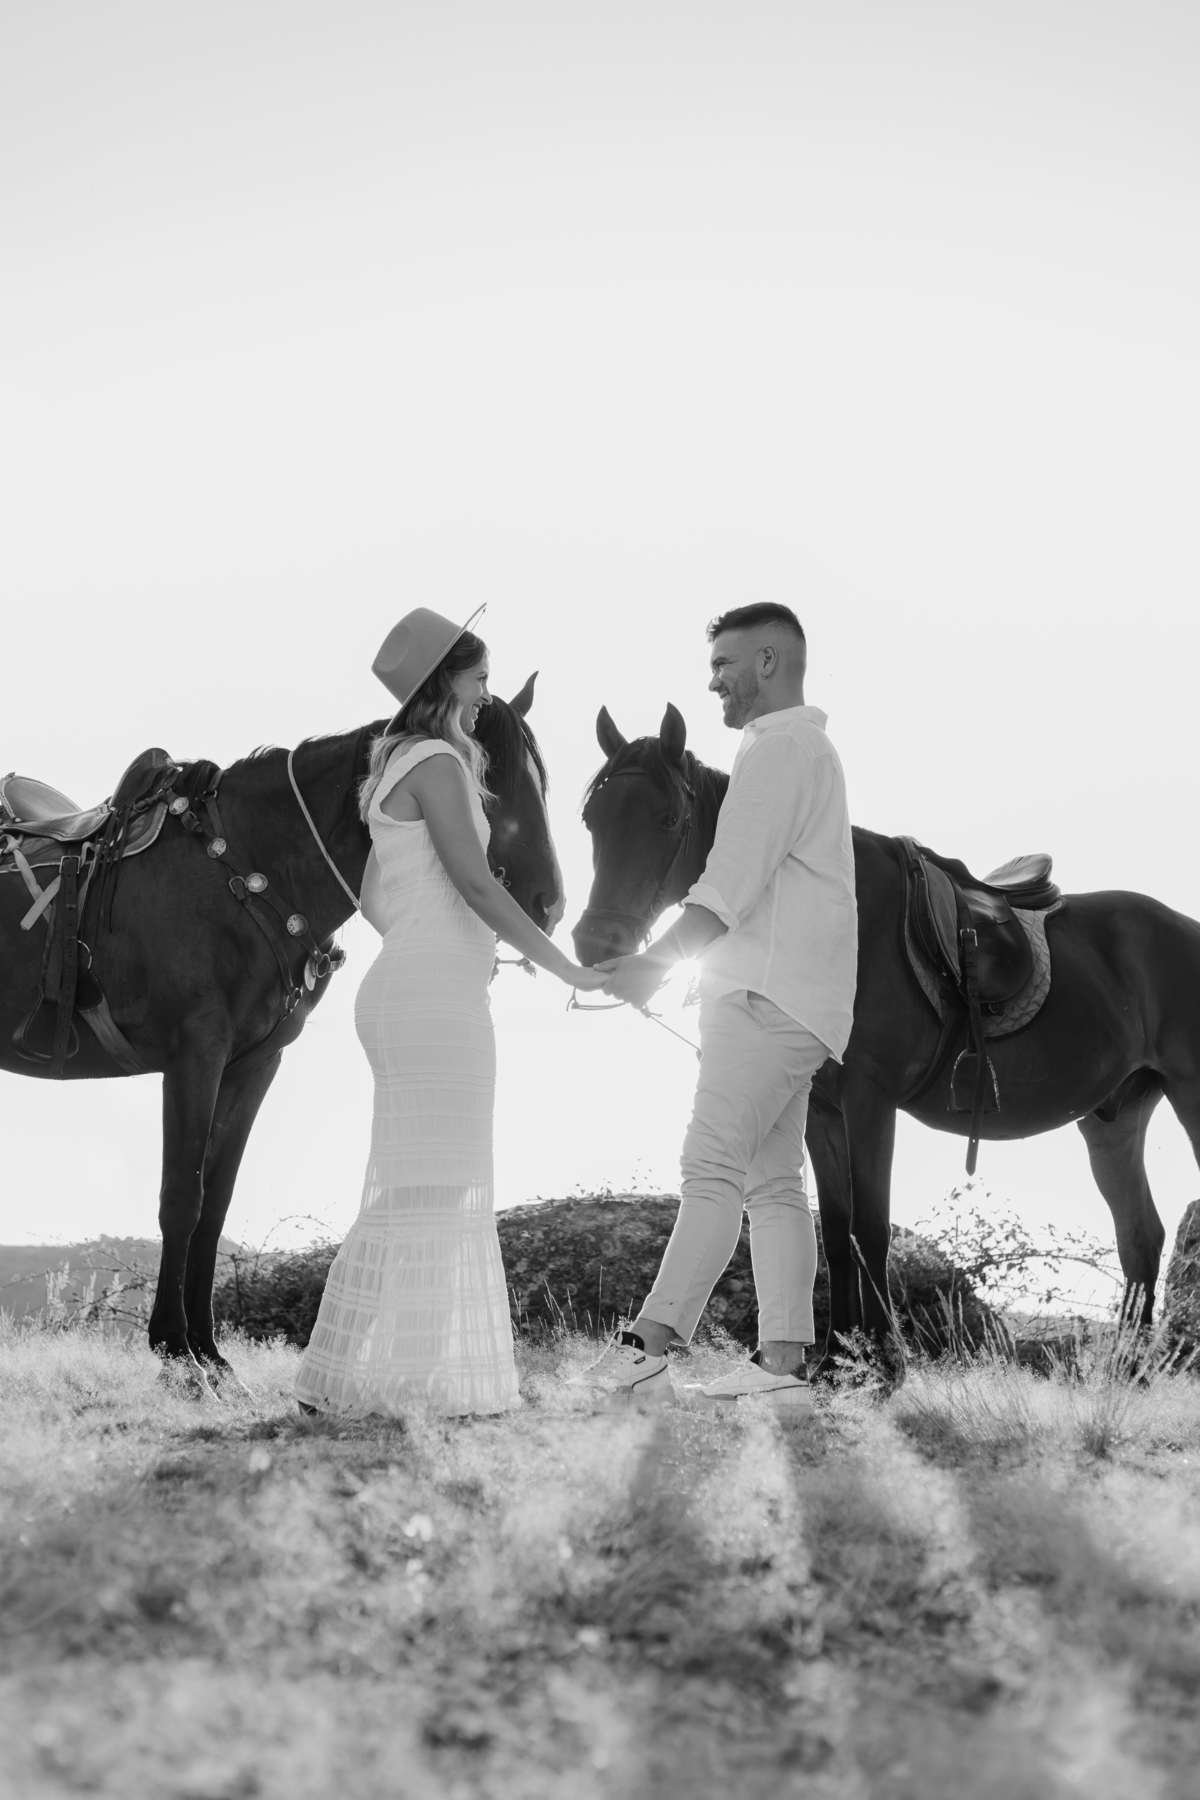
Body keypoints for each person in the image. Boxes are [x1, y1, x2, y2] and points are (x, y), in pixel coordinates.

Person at [295, 606, 607, 1418]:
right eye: (479, 679)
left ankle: (359, 1377)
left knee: (419, 1189)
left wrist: (445, 943)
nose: (486, 696)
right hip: (432, 997)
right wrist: (562, 965)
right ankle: (375, 1379)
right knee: (431, 1189)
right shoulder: (439, 761)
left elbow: (375, 899)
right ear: (444, 683)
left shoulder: (392, 767)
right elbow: (475, 883)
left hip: (407, 988)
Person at [579, 602, 857, 1412]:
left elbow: (726, 885)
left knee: (710, 1167)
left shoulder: (781, 750)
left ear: (768, 661)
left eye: (724, 665)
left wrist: (651, 965)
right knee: (773, 1185)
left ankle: (646, 1348)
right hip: (795, 1001)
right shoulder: (801, 749)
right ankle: (781, 1368)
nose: (714, 684)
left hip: (765, 999)